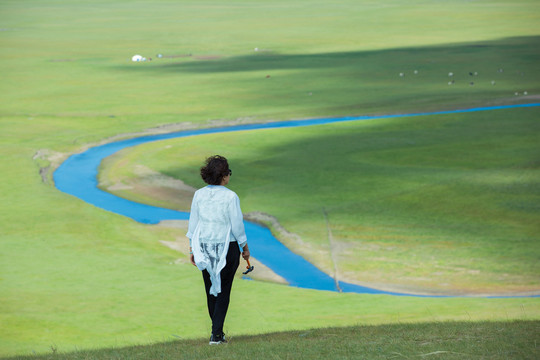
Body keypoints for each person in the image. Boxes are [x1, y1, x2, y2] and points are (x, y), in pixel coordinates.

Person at [186, 155, 250, 345]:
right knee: (224, 289)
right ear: (223, 176)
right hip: (227, 247)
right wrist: (245, 248)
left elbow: (193, 222)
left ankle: (217, 332)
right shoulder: (230, 196)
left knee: (210, 289)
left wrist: (192, 249)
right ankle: (216, 334)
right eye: (228, 173)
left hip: (203, 247)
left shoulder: (199, 194)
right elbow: (237, 226)